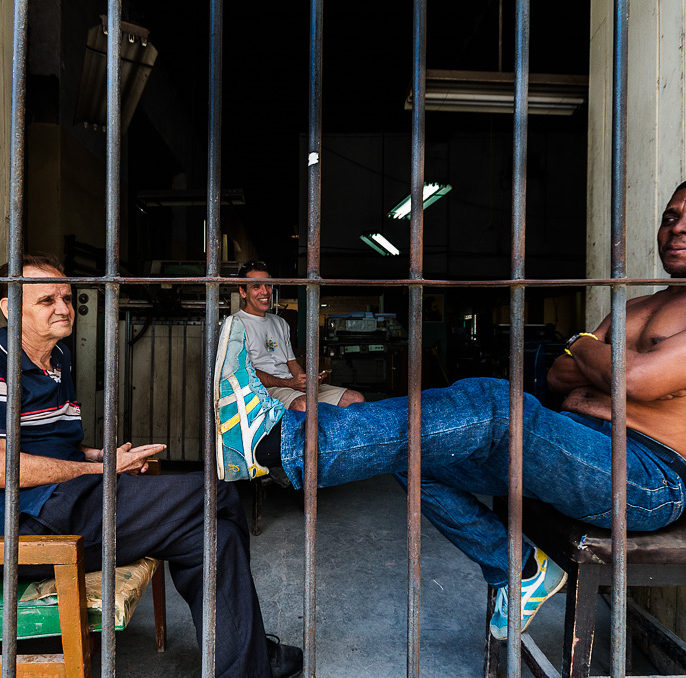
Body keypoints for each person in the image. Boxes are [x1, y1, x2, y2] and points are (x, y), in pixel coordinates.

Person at [215, 183, 686, 641]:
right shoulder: (634, 305)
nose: (677, 229)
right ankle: (518, 569)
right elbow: (561, 378)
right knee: (422, 451)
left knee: (496, 403)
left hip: (646, 476)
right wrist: (598, 368)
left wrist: (587, 350)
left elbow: (631, 380)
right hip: (576, 443)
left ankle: (281, 445)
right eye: (670, 217)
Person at [0, 254, 302, 678]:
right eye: (46, 301)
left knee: (210, 537)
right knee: (217, 492)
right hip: (26, 531)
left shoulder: (58, 362)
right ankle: (256, 659)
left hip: (70, 507)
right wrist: (102, 470)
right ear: (10, 308)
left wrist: (103, 457)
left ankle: (245, 664)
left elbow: (54, 447)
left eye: (67, 298)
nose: (63, 308)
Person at [233, 260, 364, 412]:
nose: (265, 291)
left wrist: (305, 381)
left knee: (355, 399)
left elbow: (291, 363)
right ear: (243, 292)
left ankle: (331, 437)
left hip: (290, 386)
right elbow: (244, 372)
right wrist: (288, 383)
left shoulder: (280, 323)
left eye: (268, 285)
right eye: (256, 286)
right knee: (304, 405)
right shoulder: (236, 324)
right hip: (263, 390)